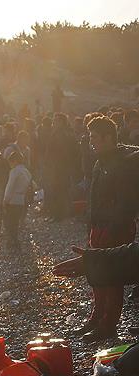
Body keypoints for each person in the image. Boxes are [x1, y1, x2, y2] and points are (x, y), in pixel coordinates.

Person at [74, 116, 139, 342]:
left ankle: (109, 325)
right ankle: (97, 317)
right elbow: (94, 197)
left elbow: (126, 201)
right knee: (96, 274)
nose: (91, 141)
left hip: (116, 228)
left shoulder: (124, 163)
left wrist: (114, 226)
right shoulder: (100, 161)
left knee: (113, 278)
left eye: (94, 137)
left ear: (108, 137)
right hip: (98, 226)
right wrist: (91, 223)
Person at [2, 150, 34, 248]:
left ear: (14, 161)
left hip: (12, 200)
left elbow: (10, 187)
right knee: (16, 222)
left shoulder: (14, 171)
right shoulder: (26, 171)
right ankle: (15, 240)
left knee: (9, 222)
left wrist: (5, 200)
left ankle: (11, 241)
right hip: (21, 199)